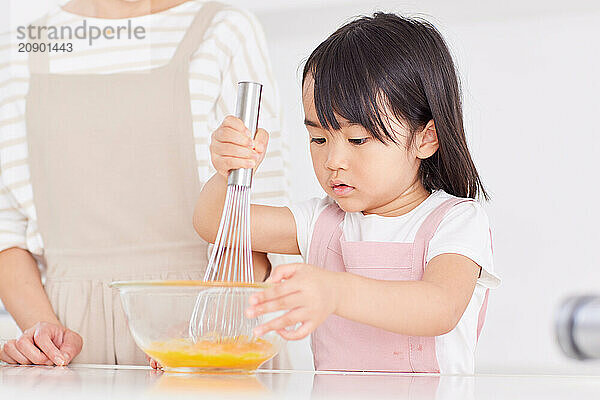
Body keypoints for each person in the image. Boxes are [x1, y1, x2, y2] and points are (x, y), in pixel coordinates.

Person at [194, 12, 501, 374]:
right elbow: (216, 223)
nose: (333, 160)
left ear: (426, 137)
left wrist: (334, 292)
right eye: (318, 139)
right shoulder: (321, 221)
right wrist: (228, 169)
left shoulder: (455, 221)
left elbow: (440, 308)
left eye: (357, 139)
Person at [0, 0, 289, 366]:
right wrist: (45, 333)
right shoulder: (22, 48)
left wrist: (210, 333)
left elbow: (263, 221)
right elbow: (7, 233)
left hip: (211, 326)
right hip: (73, 349)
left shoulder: (223, 29)